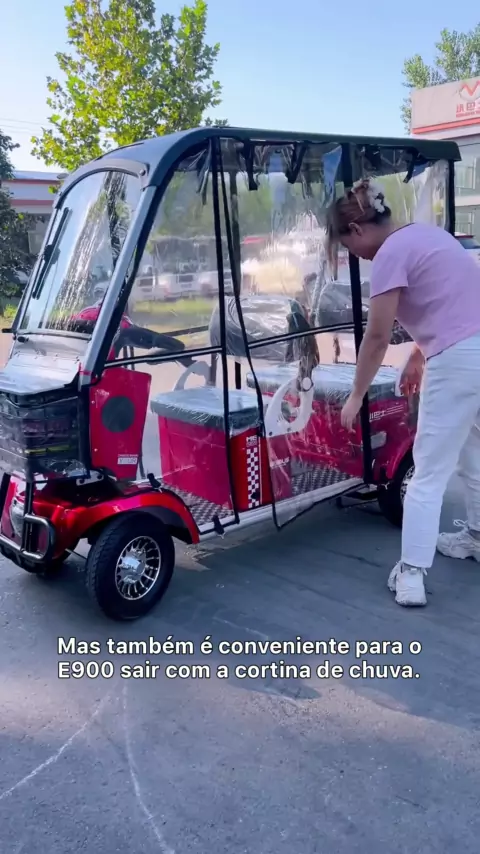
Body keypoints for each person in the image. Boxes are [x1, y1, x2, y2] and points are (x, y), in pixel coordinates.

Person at [327, 177, 480, 607]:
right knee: (473, 452)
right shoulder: (430, 235)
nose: (354, 255)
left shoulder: (389, 255)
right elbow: (455, 304)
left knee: (428, 473)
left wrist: (356, 394)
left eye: (348, 246)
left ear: (357, 229)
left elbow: (377, 337)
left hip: (457, 363)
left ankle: (411, 574)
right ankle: (476, 536)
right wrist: (418, 353)